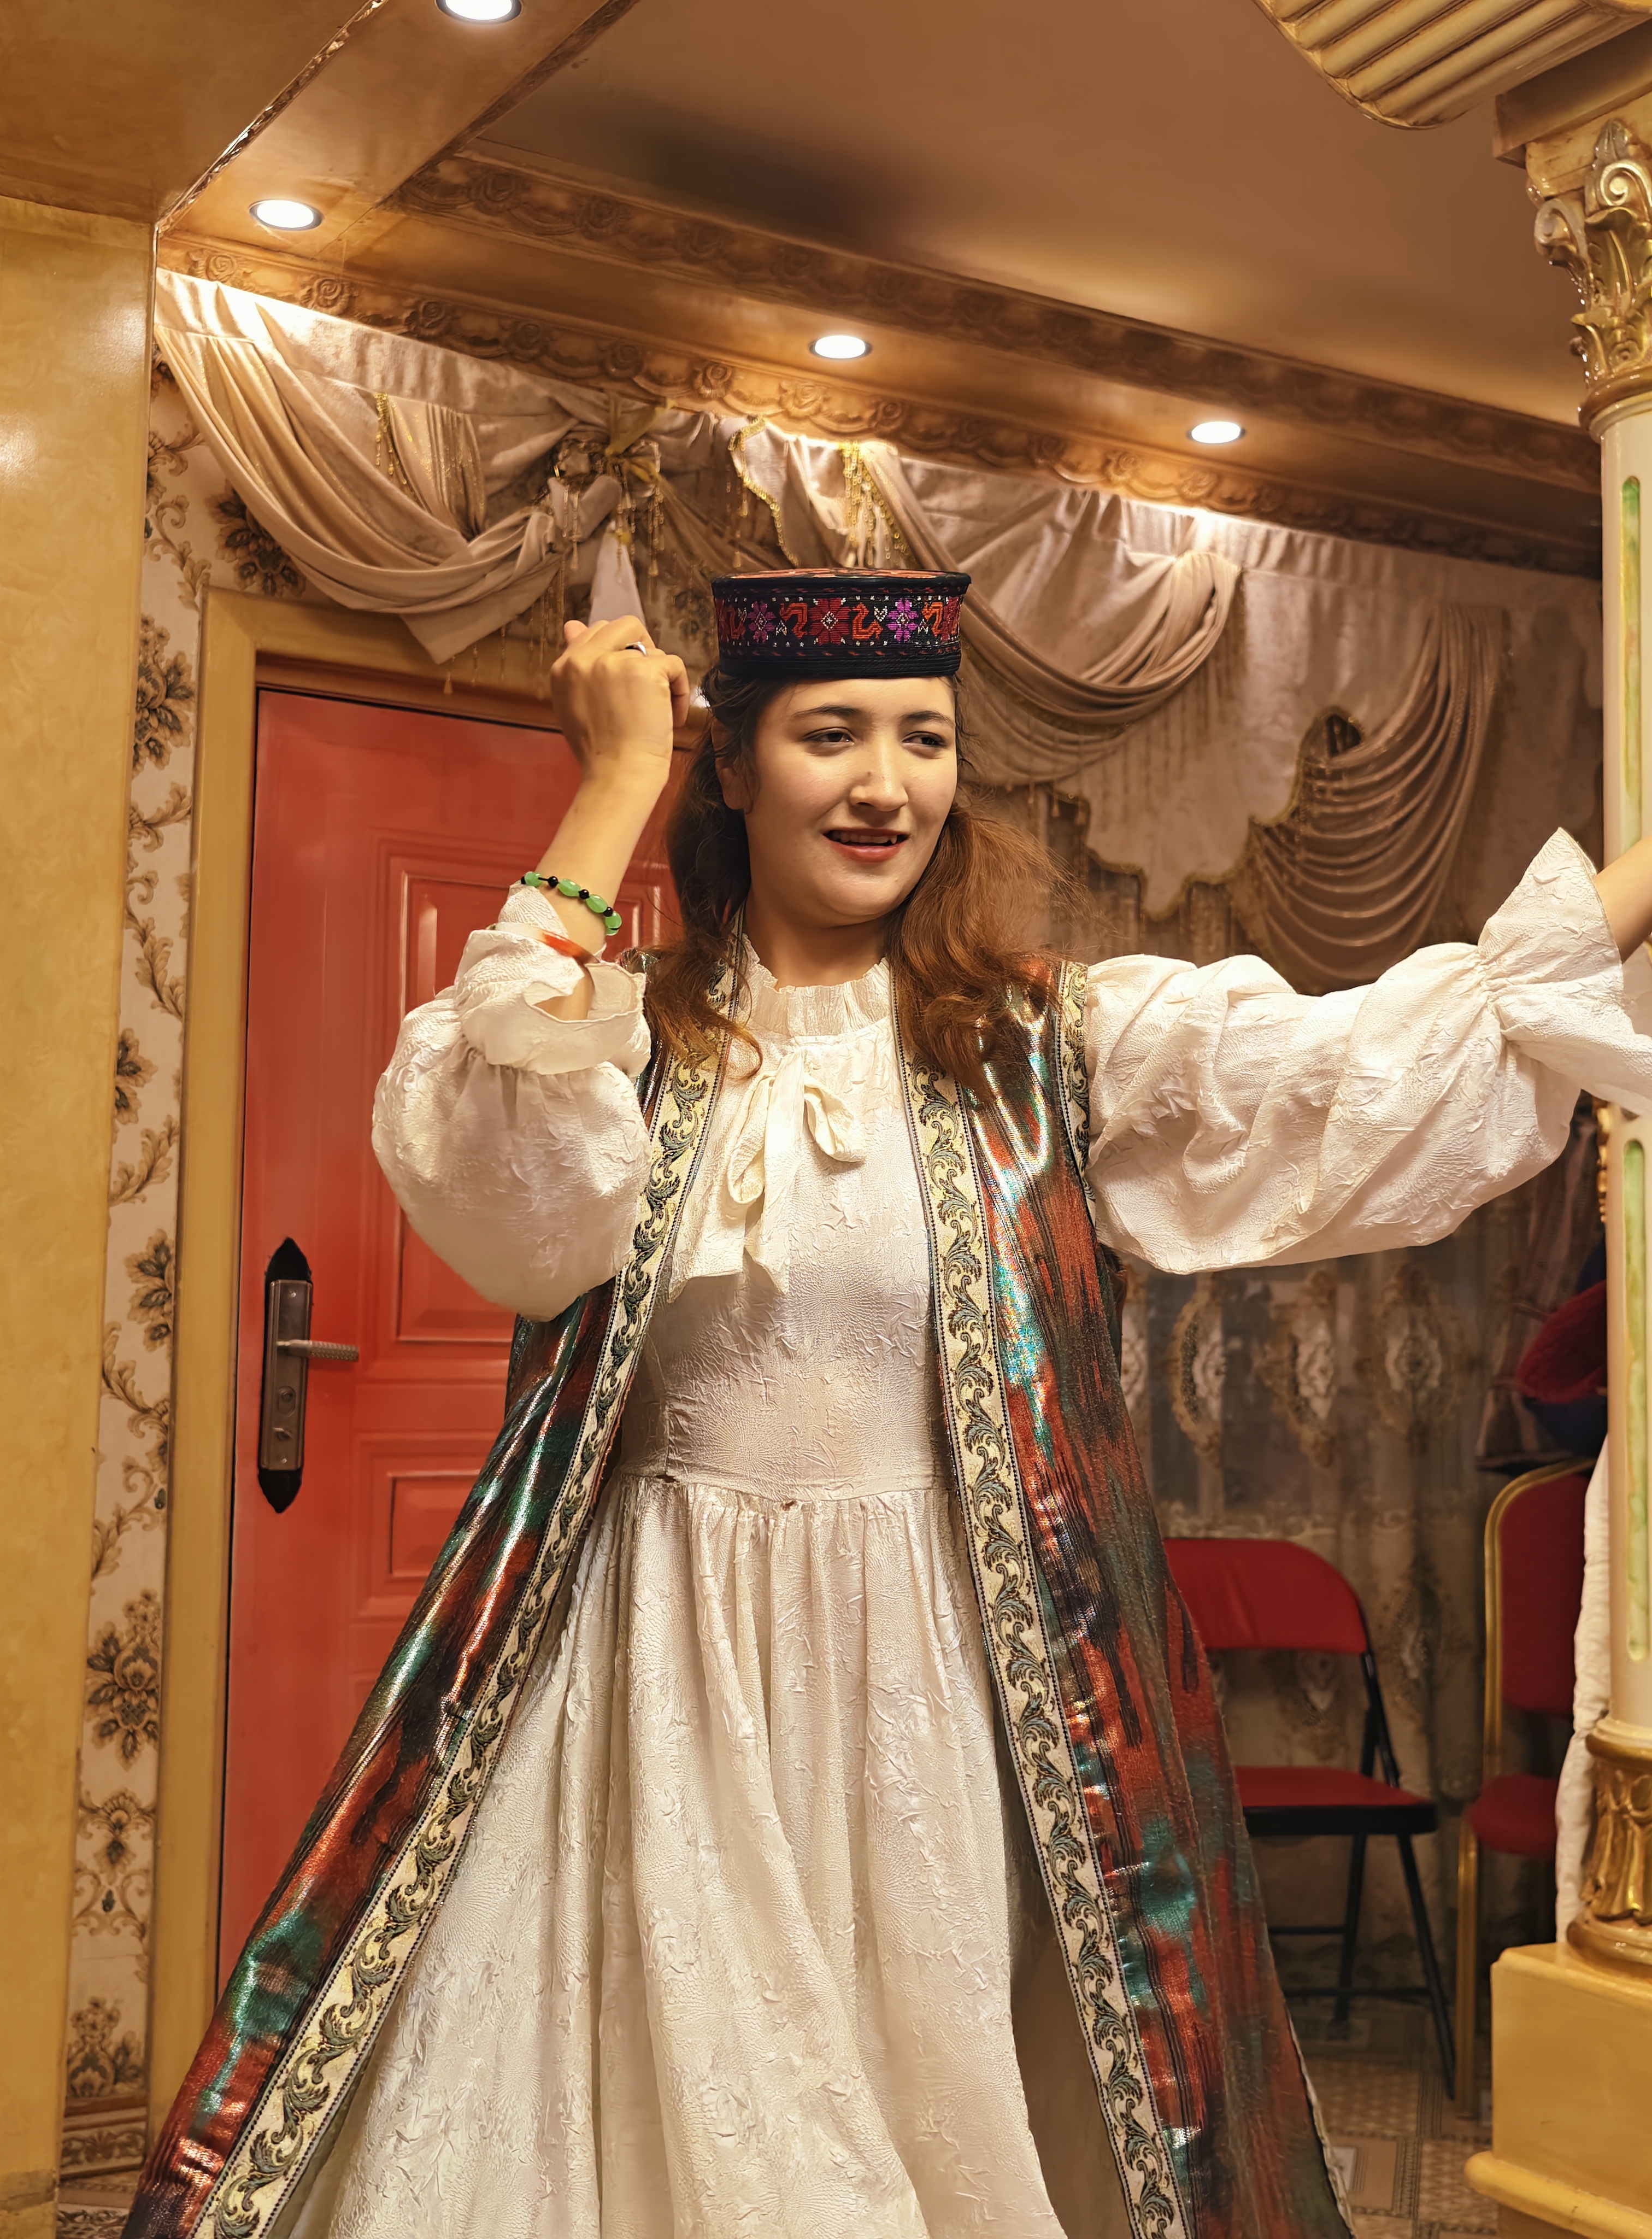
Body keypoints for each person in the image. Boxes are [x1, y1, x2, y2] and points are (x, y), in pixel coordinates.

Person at [129, 572, 1652, 2239]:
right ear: (732, 766)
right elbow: (509, 1199)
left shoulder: (1041, 1048)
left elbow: (1378, 1058)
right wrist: (613, 779)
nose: (884, 784)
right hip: (658, 1682)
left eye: (924, 739)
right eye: (831, 735)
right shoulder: (622, 1047)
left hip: (936, 1690)